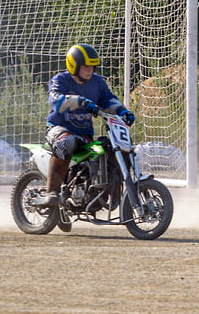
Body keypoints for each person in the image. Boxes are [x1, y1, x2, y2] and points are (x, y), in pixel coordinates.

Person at [43, 43, 135, 206]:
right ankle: (52, 192)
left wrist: (122, 112)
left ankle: (102, 195)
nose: (90, 70)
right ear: (74, 65)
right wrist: (79, 101)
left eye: (92, 66)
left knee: (110, 149)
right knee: (66, 142)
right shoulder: (60, 79)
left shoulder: (97, 82)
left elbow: (108, 100)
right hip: (58, 129)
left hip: (84, 134)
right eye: (85, 66)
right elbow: (55, 100)